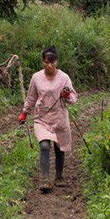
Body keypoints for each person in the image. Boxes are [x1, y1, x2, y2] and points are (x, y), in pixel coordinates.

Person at [18, 46, 77, 193]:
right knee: (44, 146)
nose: (49, 65)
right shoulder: (36, 77)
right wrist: (25, 113)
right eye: (46, 62)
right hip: (42, 117)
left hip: (59, 116)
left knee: (59, 148)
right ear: (43, 62)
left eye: (52, 62)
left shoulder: (64, 78)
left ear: (56, 62)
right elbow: (31, 97)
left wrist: (66, 95)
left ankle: (59, 176)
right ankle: (45, 179)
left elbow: (73, 98)